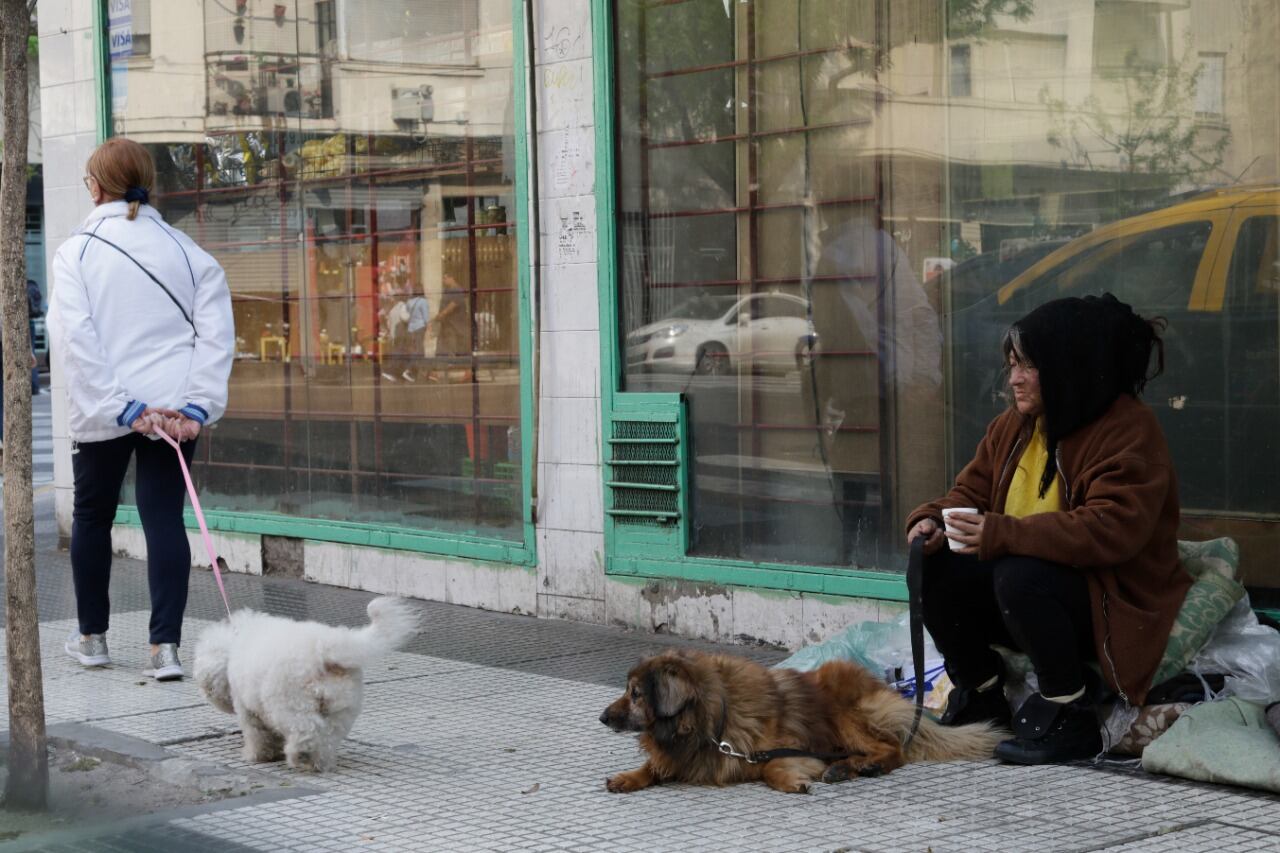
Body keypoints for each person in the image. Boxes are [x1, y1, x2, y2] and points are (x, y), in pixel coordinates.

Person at [904, 293, 1191, 765]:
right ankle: (983, 695)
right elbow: (969, 493)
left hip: (1107, 599)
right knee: (935, 567)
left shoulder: (1128, 430)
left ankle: (1069, 713)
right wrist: (932, 520)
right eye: (1012, 365)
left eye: (1029, 366)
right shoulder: (1015, 426)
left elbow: (1110, 529)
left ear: (1067, 365)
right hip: (1031, 601)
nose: (1014, 378)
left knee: (1019, 573)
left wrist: (1002, 534)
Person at [48, 137, 235, 681]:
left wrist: (123, 406)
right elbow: (216, 334)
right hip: (174, 412)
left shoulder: (76, 252)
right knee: (164, 518)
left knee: (91, 516)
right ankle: (165, 649)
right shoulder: (187, 250)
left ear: (95, 187)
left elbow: (74, 338)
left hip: (105, 409)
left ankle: (92, 639)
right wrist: (197, 407)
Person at [27, 278, 43, 394]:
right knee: (31, 354)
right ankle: (34, 386)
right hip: (29, 321)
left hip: (22, 323)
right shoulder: (27, 284)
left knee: (30, 355)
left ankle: (33, 385)